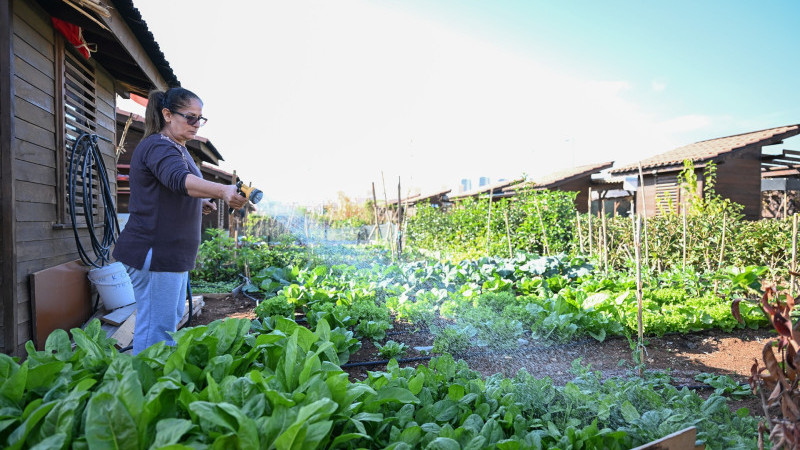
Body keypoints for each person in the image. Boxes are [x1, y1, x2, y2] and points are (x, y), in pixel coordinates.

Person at [113, 87, 247, 354]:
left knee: (165, 322)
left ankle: (153, 384)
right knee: (157, 331)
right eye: (190, 117)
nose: (196, 124)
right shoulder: (157, 146)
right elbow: (177, 179)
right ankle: (146, 390)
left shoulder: (179, 148)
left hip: (171, 256)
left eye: (200, 118)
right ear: (167, 114)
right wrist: (222, 191)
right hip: (155, 252)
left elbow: (171, 189)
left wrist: (199, 201)